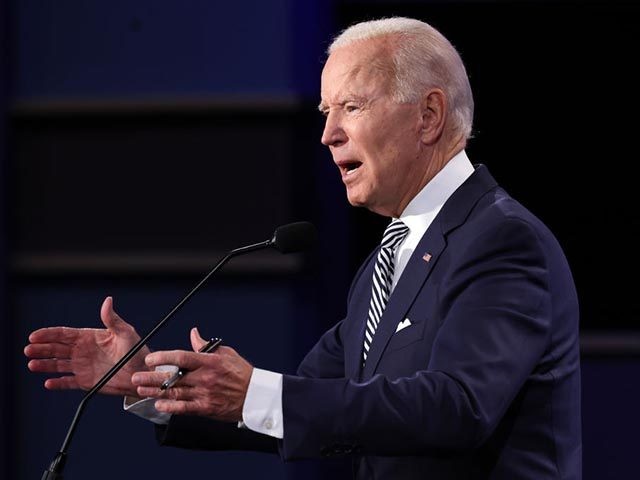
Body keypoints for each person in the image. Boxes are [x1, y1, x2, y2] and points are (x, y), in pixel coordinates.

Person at [24, 17, 582, 479]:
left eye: (352, 107)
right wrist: (152, 379)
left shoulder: (502, 240)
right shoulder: (387, 261)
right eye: (324, 113)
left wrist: (254, 391)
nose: (328, 134)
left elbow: (458, 407)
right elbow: (311, 403)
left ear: (428, 115)